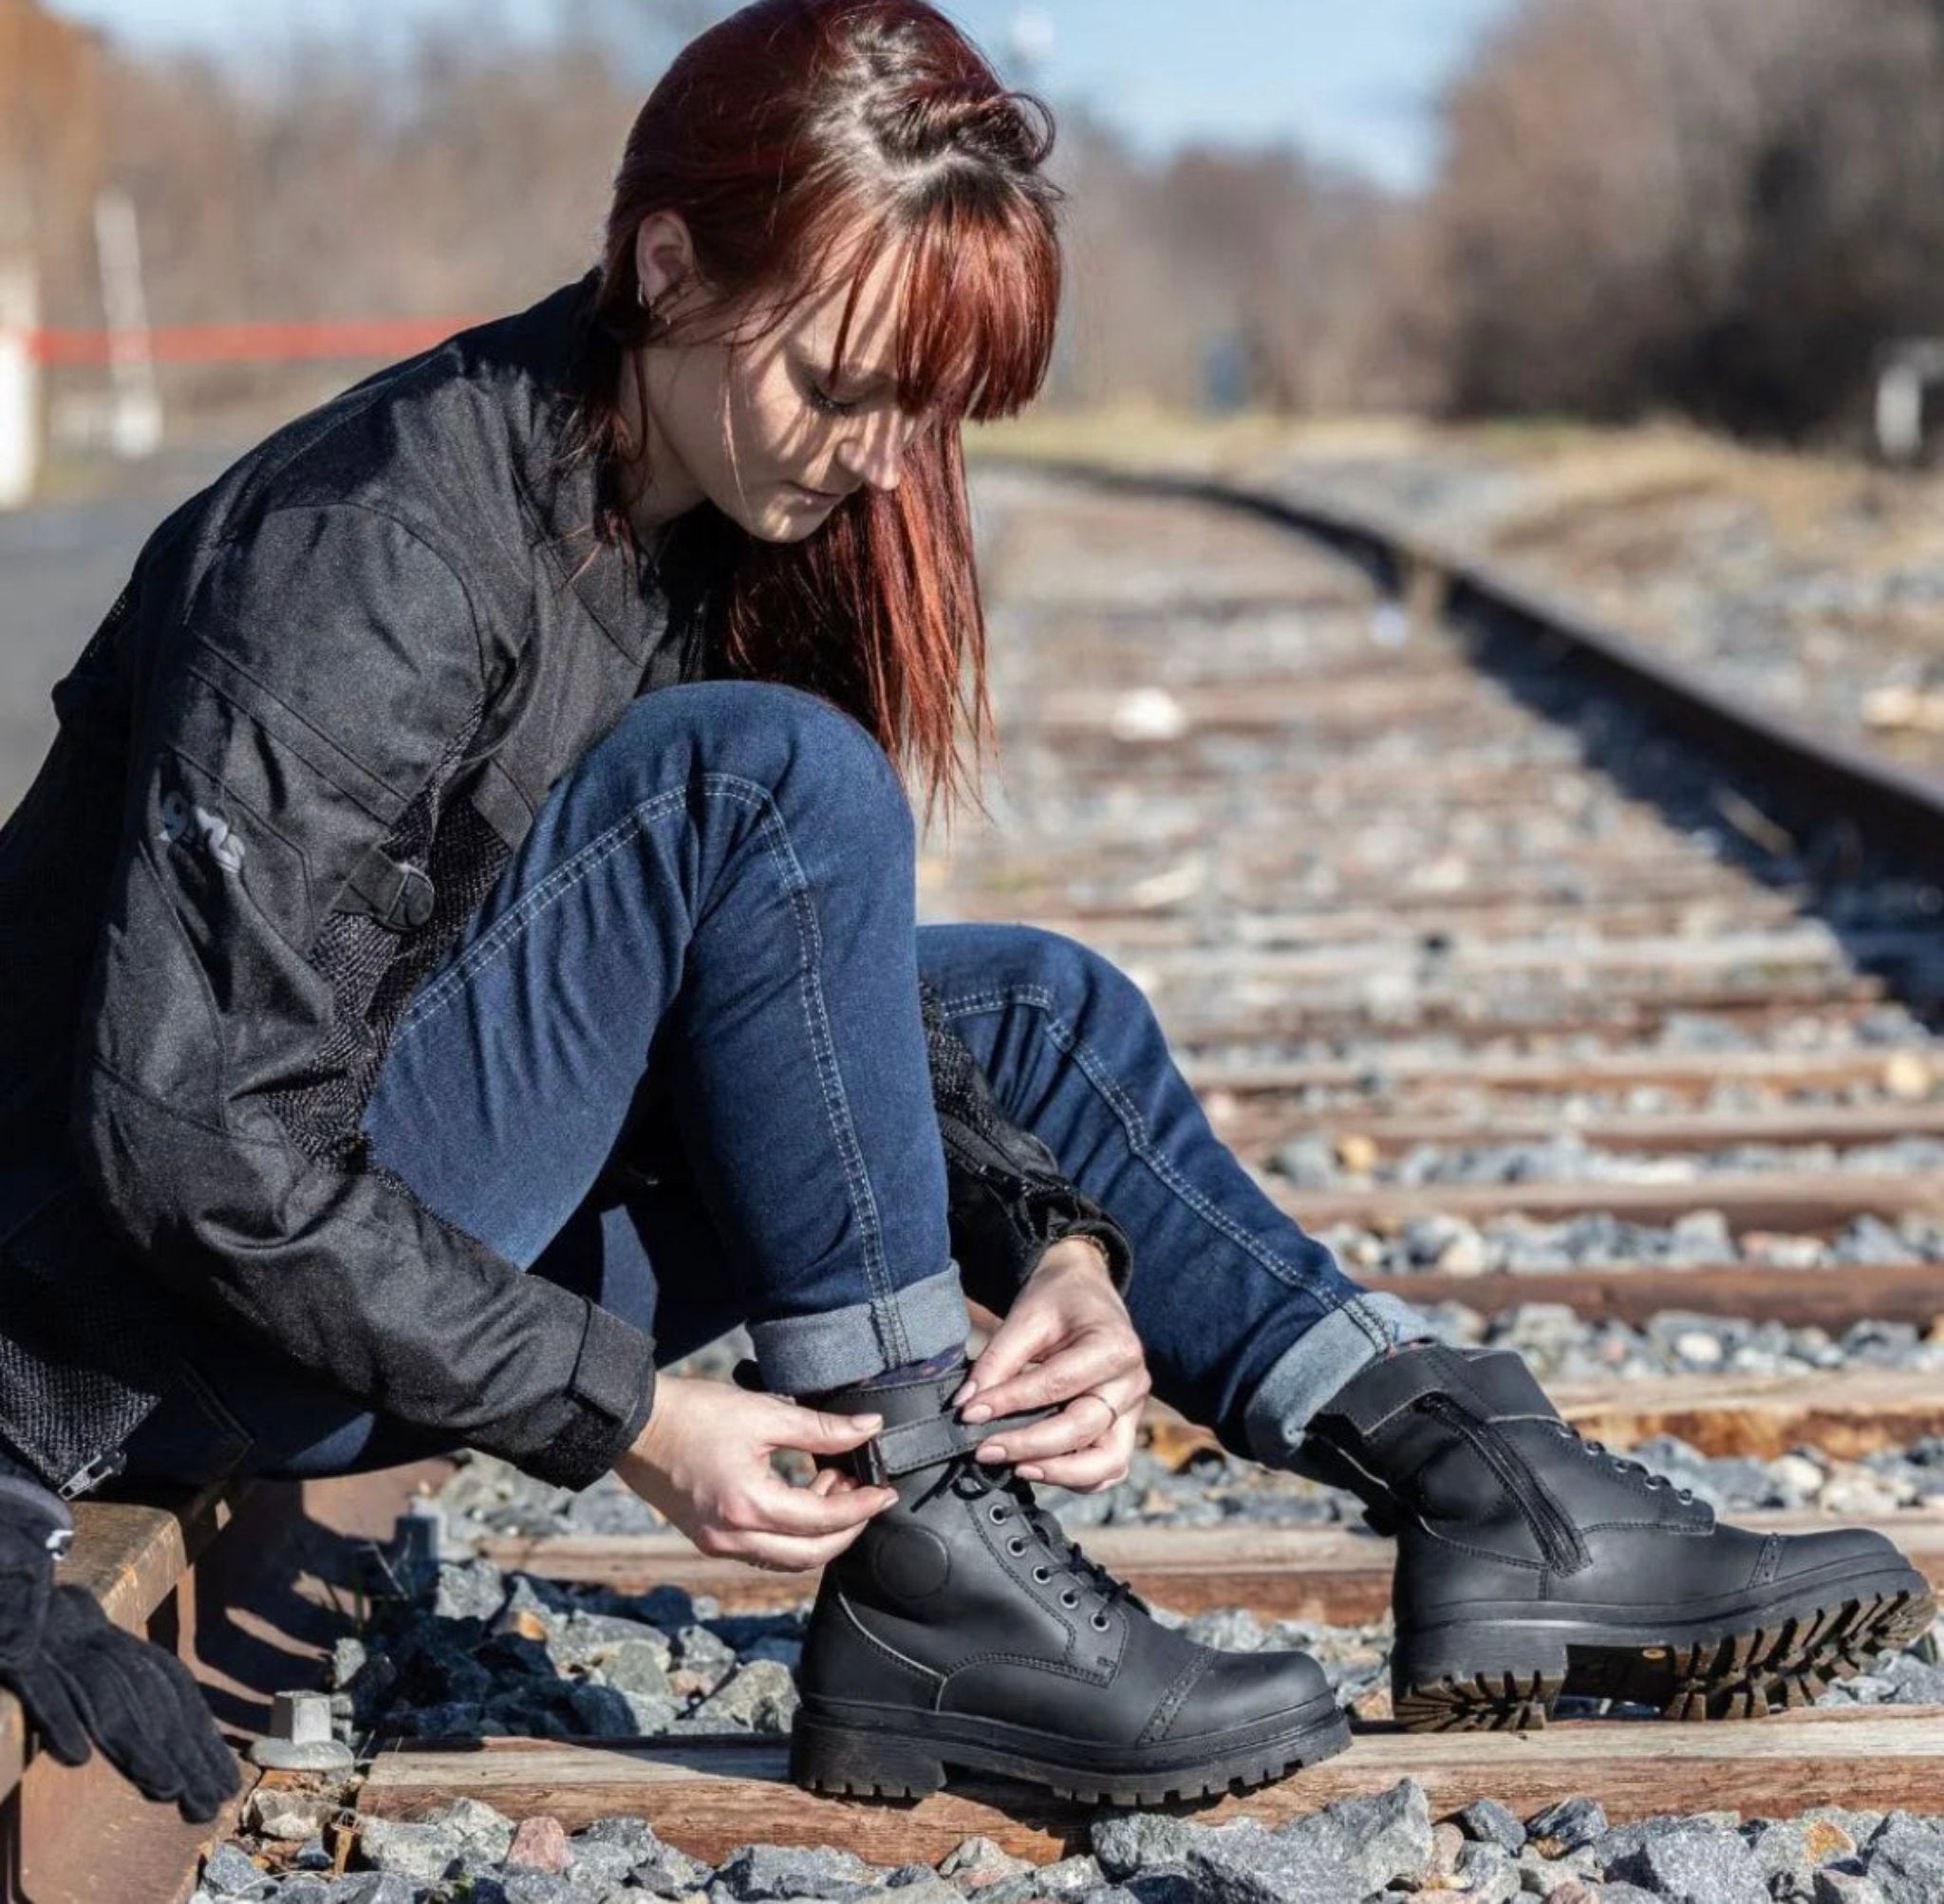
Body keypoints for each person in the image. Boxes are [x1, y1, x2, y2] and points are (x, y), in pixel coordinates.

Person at [0, 0, 1929, 1814]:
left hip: (364, 1222)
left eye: (924, 409)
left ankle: (1472, 1479)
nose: (872, 457)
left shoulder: (691, 514)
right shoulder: (380, 552)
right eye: (844, 382)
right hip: (179, 1314)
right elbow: (199, 1142)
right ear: (667, 265)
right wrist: (633, 1424)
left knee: (1032, 1015)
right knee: (762, 780)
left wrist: (1059, 1246)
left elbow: (798, 1002)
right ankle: (935, 1564)